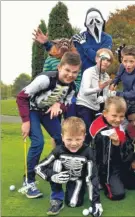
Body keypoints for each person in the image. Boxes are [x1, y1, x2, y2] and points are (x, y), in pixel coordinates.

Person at [16, 52, 81, 198]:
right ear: (59, 67)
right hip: (32, 110)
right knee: (38, 142)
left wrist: (59, 105)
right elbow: (21, 97)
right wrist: (26, 121)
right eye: (67, 70)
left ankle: (56, 169)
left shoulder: (72, 87)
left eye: (75, 72)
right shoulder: (44, 80)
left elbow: (67, 103)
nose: (70, 75)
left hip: (47, 112)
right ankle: (28, 180)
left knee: (61, 138)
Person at [35, 117, 102, 216]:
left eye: (78, 139)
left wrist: (96, 202)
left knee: (74, 204)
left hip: (79, 179)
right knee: (56, 163)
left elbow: (93, 176)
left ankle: (83, 190)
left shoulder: (88, 152)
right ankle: (57, 198)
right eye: (69, 139)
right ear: (62, 137)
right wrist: (53, 176)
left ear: (84, 137)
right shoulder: (58, 150)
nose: (74, 143)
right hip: (63, 175)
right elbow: (38, 168)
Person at [33, 8, 112, 92]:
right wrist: (47, 44)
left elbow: (101, 60)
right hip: (79, 82)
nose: (94, 22)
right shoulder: (78, 38)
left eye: (97, 19)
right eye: (91, 20)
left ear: (103, 21)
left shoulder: (106, 39)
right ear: (85, 23)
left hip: (97, 79)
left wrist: (84, 44)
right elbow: (64, 51)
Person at [90, 96, 129, 200]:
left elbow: (123, 145)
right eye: (114, 116)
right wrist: (105, 179)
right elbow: (103, 161)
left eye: (121, 116)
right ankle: (102, 182)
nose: (118, 120)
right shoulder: (102, 133)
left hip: (116, 160)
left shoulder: (113, 123)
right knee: (117, 194)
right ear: (105, 113)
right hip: (104, 167)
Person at [76, 48, 113, 144]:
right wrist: (99, 88)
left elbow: (105, 96)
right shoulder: (88, 72)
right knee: (87, 131)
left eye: (108, 60)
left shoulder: (107, 77)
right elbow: (85, 91)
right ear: (96, 59)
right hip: (84, 104)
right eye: (103, 58)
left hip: (96, 107)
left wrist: (107, 96)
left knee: (99, 131)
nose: (105, 62)